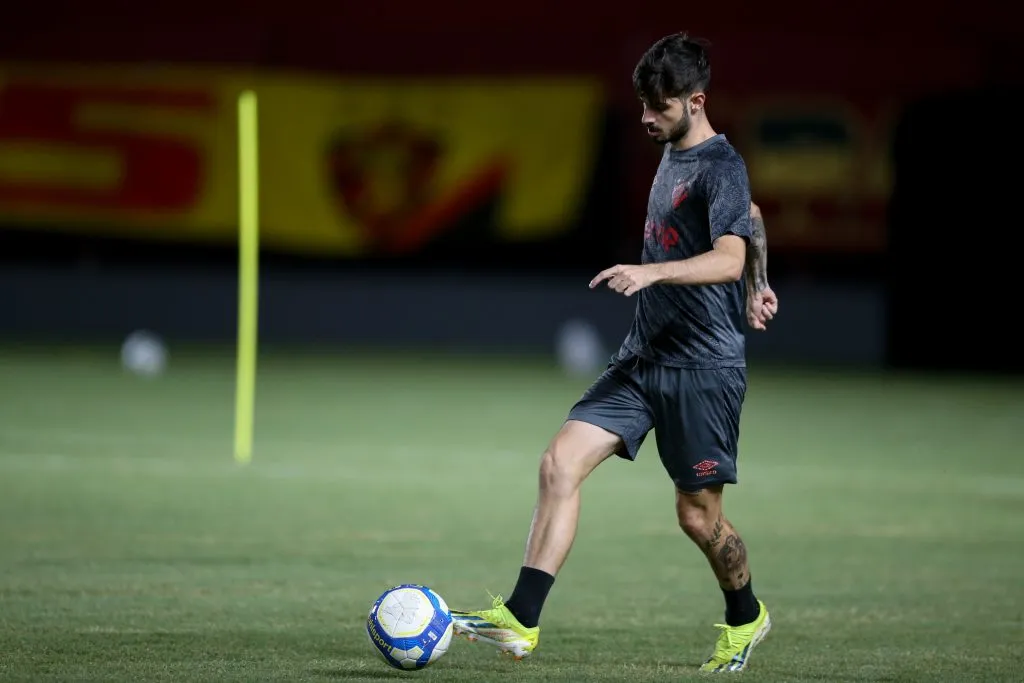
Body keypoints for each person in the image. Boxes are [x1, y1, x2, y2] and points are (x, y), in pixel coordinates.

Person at [450, 31, 779, 674]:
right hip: (643, 356)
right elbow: (755, 219)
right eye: (642, 104)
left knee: (697, 517)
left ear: (695, 100)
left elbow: (732, 250)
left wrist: (686, 274)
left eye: (658, 106)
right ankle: (521, 619)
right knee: (558, 464)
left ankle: (747, 615)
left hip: (703, 368)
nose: (645, 117)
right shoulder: (672, 148)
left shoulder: (721, 164)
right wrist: (760, 286)